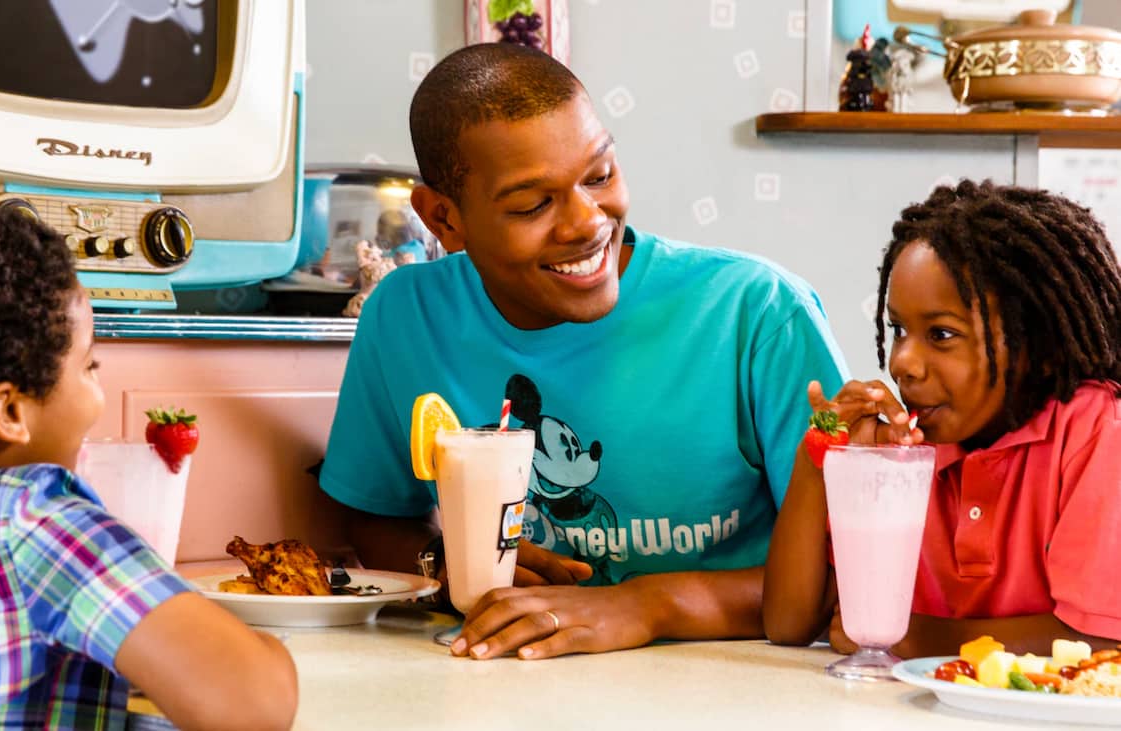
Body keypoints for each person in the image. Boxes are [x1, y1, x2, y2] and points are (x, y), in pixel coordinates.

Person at [318, 43, 849, 660]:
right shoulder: (404, 316)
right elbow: (372, 515)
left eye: (599, 176)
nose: (587, 222)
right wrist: (447, 565)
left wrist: (646, 605)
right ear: (443, 219)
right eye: (531, 204)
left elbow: (855, 574)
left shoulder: (757, 313)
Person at [0, 206, 297, 729]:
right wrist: (270, 650)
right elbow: (254, 703)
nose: (98, 392)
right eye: (88, 366)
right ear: (10, 412)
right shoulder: (37, 522)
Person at [763, 179, 1121, 657]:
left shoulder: (1096, 433)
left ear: (1038, 349)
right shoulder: (897, 450)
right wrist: (819, 458)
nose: (902, 362)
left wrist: (912, 637)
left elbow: (1101, 639)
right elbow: (790, 624)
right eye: (899, 330)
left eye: (942, 334)